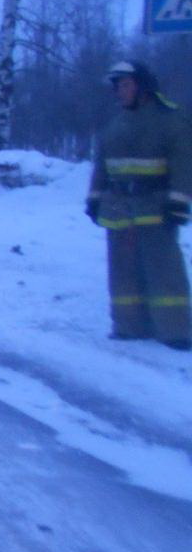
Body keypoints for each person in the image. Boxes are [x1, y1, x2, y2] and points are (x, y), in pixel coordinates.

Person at [86, 60, 191, 350]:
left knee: (163, 270)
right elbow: (102, 165)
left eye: (125, 85)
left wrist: (179, 203)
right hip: (118, 209)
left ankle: (174, 330)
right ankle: (128, 326)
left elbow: (184, 165)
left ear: (142, 87)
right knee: (123, 272)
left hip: (155, 208)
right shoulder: (116, 124)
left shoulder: (170, 120)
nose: (119, 91)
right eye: (117, 86)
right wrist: (94, 199)